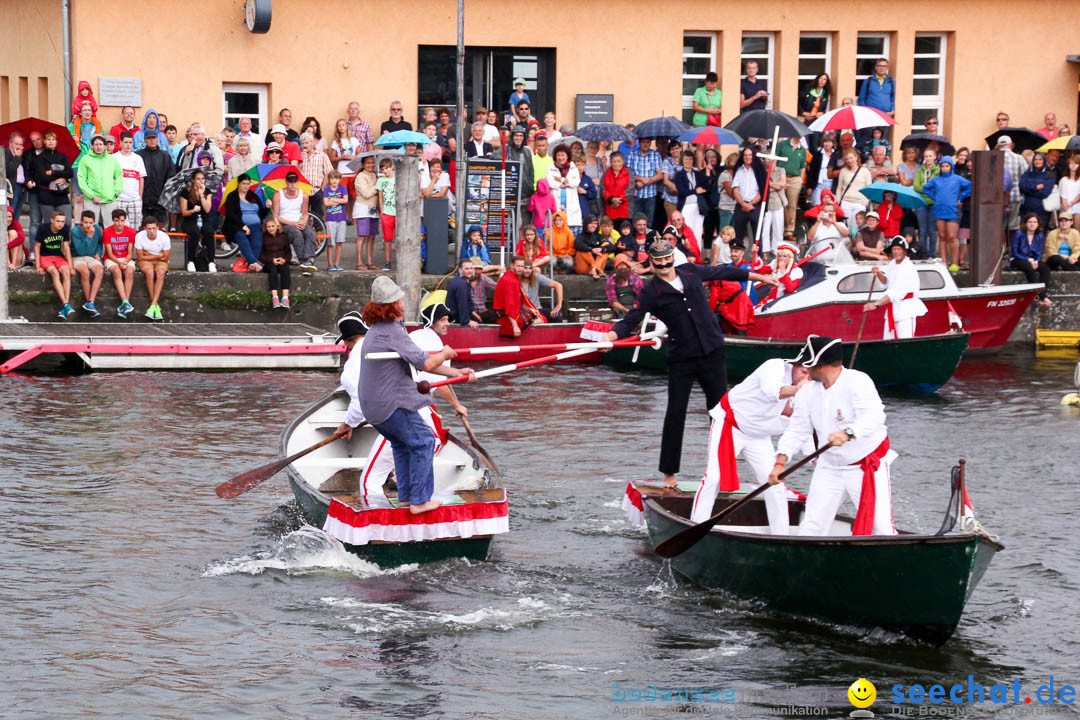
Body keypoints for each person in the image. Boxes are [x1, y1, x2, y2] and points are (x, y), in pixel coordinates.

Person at [603, 239, 779, 487]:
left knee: (719, 413)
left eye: (667, 259)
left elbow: (724, 271)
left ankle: (722, 471)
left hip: (712, 350)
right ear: (651, 264)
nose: (664, 265)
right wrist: (610, 337)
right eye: (659, 261)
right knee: (675, 413)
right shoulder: (650, 292)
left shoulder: (690, 271)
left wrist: (760, 277)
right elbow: (629, 320)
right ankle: (669, 474)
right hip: (681, 357)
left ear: (672, 258)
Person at [357, 276, 474, 514]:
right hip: (391, 404)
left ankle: (408, 499)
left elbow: (420, 363)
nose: (403, 302)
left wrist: (456, 371)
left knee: (402, 445)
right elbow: (429, 363)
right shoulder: (392, 331)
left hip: (373, 407)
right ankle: (420, 501)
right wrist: (445, 354)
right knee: (424, 440)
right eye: (400, 299)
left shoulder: (377, 330)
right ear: (392, 305)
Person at [769, 335, 896, 537]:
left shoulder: (858, 381)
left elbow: (875, 416)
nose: (805, 372)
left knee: (880, 528)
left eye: (808, 367)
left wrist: (849, 433)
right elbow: (797, 429)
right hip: (828, 466)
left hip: (864, 465)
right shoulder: (806, 392)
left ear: (820, 366)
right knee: (812, 527)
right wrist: (780, 462)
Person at [691, 357, 811, 533]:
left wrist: (816, 459)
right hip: (732, 425)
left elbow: (803, 432)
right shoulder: (774, 366)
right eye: (803, 372)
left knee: (774, 484)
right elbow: (772, 390)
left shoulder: (808, 392)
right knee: (714, 478)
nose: (804, 378)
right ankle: (696, 526)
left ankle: (781, 535)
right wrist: (796, 390)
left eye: (809, 374)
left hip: (759, 436)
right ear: (794, 366)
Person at [863, 237, 928, 338]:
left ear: (904, 251)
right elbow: (887, 282)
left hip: (905, 310)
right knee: (888, 341)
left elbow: (896, 293)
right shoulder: (892, 264)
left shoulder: (907, 267)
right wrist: (879, 273)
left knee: (904, 343)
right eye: (894, 249)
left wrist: (876, 304)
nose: (896, 252)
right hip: (893, 309)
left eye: (899, 249)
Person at [922, 155, 972, 271]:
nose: (944, 168)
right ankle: (944, 262)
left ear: (951, 167)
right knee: (942, 236)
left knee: (952, 237)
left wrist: (962, 197)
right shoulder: (936, 179)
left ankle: (954, 263)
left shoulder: (957, 179)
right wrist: (935, 197)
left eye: (947, 166)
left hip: (953, 211)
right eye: (943, 166)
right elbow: (926, 188)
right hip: (939, 210)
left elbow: (969, 186)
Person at [273, 171, 318, 273]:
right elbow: (276, 216)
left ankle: (309, 259)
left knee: (310, 233)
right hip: (284, 223)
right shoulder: (278, 194)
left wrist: (303, 223)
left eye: (294, 182)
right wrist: (292, 223)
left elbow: (305, 213)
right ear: (286, 183)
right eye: (290, 182)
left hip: (298, 222)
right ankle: (303, 260)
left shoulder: (303, 195)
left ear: (297, 182)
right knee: (296, 233)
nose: (292, 184)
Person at [222, 175, 267, 273]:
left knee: (257, 238)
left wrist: (267, 207)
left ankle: (249, 264)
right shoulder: (232, 196)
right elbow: (230, 214)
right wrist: (243, 225)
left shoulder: (253, 196)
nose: (246, 186)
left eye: (248, 184)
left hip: (255, 225)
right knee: (241, 235)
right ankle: (253, 263)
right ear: (239, 184)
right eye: (244, 184)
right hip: (236, 225)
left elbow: (261, 214)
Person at [35, 210, 75, 318]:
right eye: (58, 221)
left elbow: (66, 248)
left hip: (58, 257)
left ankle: (65, 306)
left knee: (66, 272)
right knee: (54, 272)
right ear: (52, 220)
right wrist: (38, 265)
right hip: (45, 257)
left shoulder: (65, 229)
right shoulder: (43, 228)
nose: (60, 224)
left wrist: (70, 267)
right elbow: (37, 247)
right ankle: (66, 305)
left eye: (62, 221)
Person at [77, 134, 123, 225]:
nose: (99, 147)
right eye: (96, 144)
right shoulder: (85, 159)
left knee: (110, 226)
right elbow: (81, 179)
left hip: (109, 199)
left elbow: (119, 176)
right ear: (92, 146)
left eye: (101, 144)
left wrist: (115, 192)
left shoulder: (112, 160)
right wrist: (92, 196)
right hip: (91, 200)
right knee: (90, 226)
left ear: (105, 146)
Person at [1010, 214, 1053, 307]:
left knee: (1045, 268)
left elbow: (1039, 252)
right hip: (1018, 259)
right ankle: (1042, 296)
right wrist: (1029, 260)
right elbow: (1014, 252)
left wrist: (1036, 261)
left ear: (1038, 224)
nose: (1032, 224)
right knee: (1029, 269)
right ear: (1025, 224)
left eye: (1034, 222)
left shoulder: (1040, 235)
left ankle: (1042, 294)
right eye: (1029, 222)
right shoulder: (1019, 233)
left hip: (1033, 260)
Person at [69, 209, 105, 317]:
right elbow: (80, 251)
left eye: (90, 223)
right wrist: (89, 236)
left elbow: (99, 243)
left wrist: (99, 254)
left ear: (94, 222)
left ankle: (90, 302)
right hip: (77, 257)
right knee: (85, 272)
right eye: (85, 222)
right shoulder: (75, 231)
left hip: (91, 256)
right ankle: (90, 304)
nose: (88, 225)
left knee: (99, 270)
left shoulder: (97, 229)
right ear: (81, 222)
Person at [179, 169, 216, 273]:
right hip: (190, 219)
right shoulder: (185, 192)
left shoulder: (207, 192)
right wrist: (192, 210)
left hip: (204, 218)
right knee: (195, 232)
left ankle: (211, 261)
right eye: (198, 179)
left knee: (209, 231)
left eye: (203, 179)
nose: (201, 181)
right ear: (193, 180)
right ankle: (191, 260)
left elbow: (207, 209)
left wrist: (201, 195)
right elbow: (184, 212)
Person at [493, 255, 541, 336]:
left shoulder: (511, 277)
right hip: (505, 318)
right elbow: (509, 305)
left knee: (539, 315)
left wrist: (530, 309)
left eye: (522, 266)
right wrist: (515, 326)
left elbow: (518, 301)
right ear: (512, 266)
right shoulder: (510, 281)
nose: (520, 269)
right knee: (541, 319)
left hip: (507, 314)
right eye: (518, 266)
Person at [102, 208, 136, 317]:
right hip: (111, 258)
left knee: (129, 271)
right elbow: (109, 253)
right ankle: (125, 302)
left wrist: (125, 262)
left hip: (126, 258)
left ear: (125, 220)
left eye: (122, 220)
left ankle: (125, 302)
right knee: (116, 271)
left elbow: (130, 253)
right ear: (113, 220)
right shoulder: (107, 231)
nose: (119, 223)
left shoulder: (131, 231)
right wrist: (119, 263)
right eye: (117, 220)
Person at [134, 216, 169, 320]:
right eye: (149, 229)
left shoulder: (164, 237)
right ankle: (155, 305)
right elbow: (140, 257)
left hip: (159, 261)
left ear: (158, 227)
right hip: (145, 261)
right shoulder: (139, 236)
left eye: (154, 228)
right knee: (149, 272)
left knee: (160, 272)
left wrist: (149, 255)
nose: (152, 231)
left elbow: (166, 257)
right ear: (145, 228)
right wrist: (158, 255)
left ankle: (153, 304)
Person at [137, 130, 175, 224]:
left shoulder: (165, 156)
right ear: (145, 140)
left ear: (157, 139)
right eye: (149, 138)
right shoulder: (138, 156)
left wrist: (165, 195)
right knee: (143, 227)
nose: (152, 140)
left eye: (153, 138)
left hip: (160, 200)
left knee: (159, 227)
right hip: (143, 199)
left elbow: (171, 176)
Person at [112, 132, 146, 232]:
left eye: (130, 142)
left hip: (135, 199)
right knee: (120, 227)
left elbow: (141, 178)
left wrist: (140, 196)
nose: (128, 145)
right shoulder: (114, 158)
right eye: (126, 142)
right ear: (120, 143)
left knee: (134, 228)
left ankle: (132, 247)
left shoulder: (138, 158)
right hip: (119, 198)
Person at [731, 147, 765, 248]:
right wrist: (743, 204)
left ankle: (758, 259)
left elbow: (762, 190)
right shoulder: (739, 170)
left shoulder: (759, 170)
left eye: (750, 155)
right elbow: (735, 190)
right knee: (739, 235)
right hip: (741, 205)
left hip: (755, 206)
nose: (747, 157)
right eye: (745, 155)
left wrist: (751, 203)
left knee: (757, 235)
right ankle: (738, 258)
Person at [625, 138, 663, 222]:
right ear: (639, 143)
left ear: (650, 143)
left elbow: (660, 175)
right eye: (643, 142)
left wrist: (645, 182)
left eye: (648, 142)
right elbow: (627, 175)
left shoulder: (655, 155)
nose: (646, 144)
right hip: (635, 194)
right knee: (636, 221)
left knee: (649, 222)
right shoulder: (631, 154)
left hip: (650, 195)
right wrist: (641, 178)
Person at [352, 155, 380, 270]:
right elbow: (366, 194)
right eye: (368, 163)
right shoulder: (360, 177)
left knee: (372, 236)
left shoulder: (375, 175)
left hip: (374, 208)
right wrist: (377, 185)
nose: (371, 165)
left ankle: (369, 262)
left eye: (373, 162)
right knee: (362, 236)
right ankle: (359, 262)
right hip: (363, 208)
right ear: (363, 165)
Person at [258, 217, 292, 308]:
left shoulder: (283, 237)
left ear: (277, 226)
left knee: (285, 268)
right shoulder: (263, 238)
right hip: (268, 263)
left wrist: (284, 259)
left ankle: (285, 297)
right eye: (269, 227)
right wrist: (271, 260)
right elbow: (260, 255)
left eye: (273, 226)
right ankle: (275, 297)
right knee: (272, 269)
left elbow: (288, 252)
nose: (271, 228)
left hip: (281, 261)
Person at [997, 135, 1029, 232]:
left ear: (998, 146)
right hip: (1015, 196)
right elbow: (1025, 177)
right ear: (1011, 145)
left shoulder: (993, 158)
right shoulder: (1019, 158)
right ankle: (1011, 246)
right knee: (1013, 225)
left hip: (998, 198)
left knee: (1000, 225)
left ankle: (1001, 246)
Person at [913, 149, 941, 257]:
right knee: (923, 230)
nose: (928, 158)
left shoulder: (938, 171)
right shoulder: (920, 171)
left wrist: (924, 187)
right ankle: (923, 253)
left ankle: (931, 253)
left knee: (932, 230)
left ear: (934, 157)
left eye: (930, 156)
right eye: (926, 156)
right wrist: (928, 188)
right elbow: (916, 187)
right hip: (921, 202)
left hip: (933, 202)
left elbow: (937, 187)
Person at [1019, 152, 1054, 230]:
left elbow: (1045, 193)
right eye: (1035, 159)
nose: (1037, 161)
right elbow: (1022, 187)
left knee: (1040, 232)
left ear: (1044, 161)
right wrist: (1035, 187)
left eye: (1040, 159)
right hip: (1026, 208)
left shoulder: (1049, 175)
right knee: (1025, 231)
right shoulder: (1027, 173)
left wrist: (1028, 191)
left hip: (1042, 210)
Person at [835, 149, 871, 221]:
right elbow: (839, 187)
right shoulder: (843, 171)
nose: (849, 160)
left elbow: (868, 188)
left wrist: (865, 202)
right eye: (847, 159)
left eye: (851, 158)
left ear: (856, 157)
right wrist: (838, 199)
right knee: (846, 226)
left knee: (857, 227)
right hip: (846, 202)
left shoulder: (865, 171)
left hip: (859, 203)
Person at [446, 260, 480, 328]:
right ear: (460, 269)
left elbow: (468, 302)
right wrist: (467, 321)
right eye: (466, 269)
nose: (469, 271)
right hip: (455, 317)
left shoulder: (463, 280)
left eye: (471, 268)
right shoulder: (461, 284)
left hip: (458, 314)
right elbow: (462, 303)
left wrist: (474, 313)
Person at [602, 151, 634, 222]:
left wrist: (618, 200)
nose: (616, 164)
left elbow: (630, 189)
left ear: (623, 162)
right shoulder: (606, 174)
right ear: (610, 163)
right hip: (610, 208)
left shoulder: (628, 173)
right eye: (614, 162)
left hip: (625, 209)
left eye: (619, 161)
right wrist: (612, 199)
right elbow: (603, 190)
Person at [807, 133, 836, 205]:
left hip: (832, 185)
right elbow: (812, 171)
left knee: (831, 206)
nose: (827, 144)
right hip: (819, 185)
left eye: (829, 142)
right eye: (825, 142)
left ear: (833, 143)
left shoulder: (836, 154)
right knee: (817, 205)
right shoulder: (817, 154)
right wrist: (809, 186)